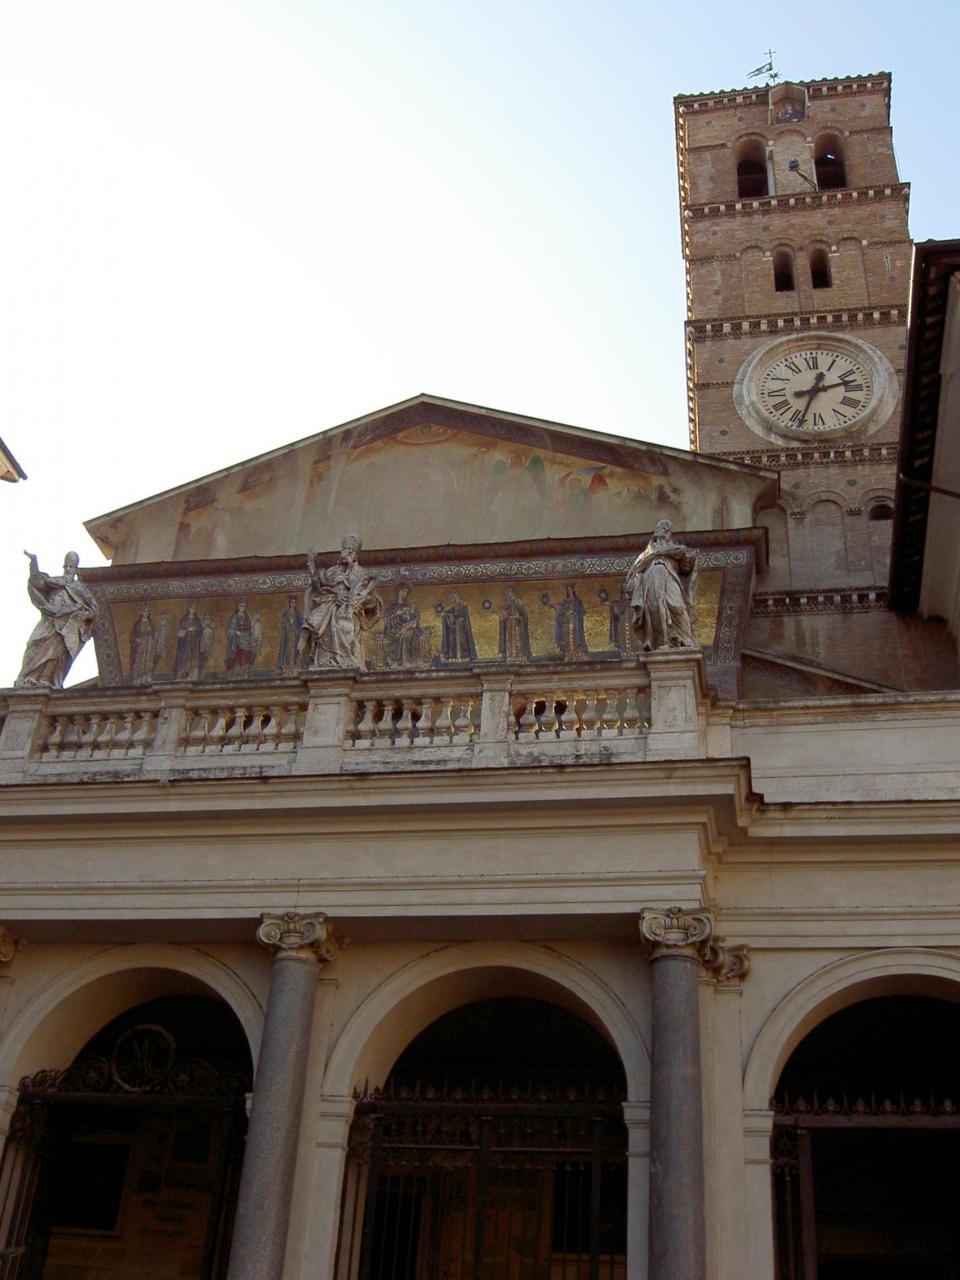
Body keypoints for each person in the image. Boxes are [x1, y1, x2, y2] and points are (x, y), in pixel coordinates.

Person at [15, 550, 99, 689]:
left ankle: (47, 680)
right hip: (49, 622)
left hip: (68, 628)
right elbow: (37, 582)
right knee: (35, 645)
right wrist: (34, 564)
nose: (68, 569)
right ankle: (28, 678)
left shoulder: (81, 590)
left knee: (58, 654)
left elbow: (94, 610)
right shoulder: (55, 582)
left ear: (76, 570)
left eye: (71, 567)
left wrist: (86, 615)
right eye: (66, 566)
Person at [298, 537, 383, 670]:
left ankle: (344, 658)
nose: (346, 552)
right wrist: (311, 565)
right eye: (345, 549)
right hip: (330, 604)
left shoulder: (362, 573)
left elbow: (371, 600)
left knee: (342, 623)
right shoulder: (332, 571)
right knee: (322, 617)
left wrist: (356, 599)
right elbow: (319, 588)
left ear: (355, 554)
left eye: (350, 550)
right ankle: (325, 660)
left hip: (351, 612)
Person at [625, 518, 699, 651]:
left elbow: (686, 564)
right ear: (655, 532)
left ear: (670, 533)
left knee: (677, 606)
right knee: (655, 608)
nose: (664, 529)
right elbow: (636, 569)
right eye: (662, 526)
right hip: (651, 580)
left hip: (669, 577)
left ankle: (685, 638)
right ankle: (663, 640)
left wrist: (664, 554)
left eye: (667, 527)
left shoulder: (677, 549)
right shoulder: (647, 553)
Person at [383, 585, 423, 669]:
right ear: (398, 592)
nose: (404, 593)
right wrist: (396, 614)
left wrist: (412, 622)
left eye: (406, 592)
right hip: (393, 630)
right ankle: (394, 662)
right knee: (391, 638)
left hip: (408, 629)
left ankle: (406, 662)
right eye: (402, 591)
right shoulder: (392, 607)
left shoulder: (409, 606)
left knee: (404, 636)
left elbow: (415, 618)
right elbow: (387, 618)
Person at [547, 583, 588, 661]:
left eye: (571, 590)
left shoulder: (577, 601)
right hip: (567, 623)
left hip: (575, 623)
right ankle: (568, 653)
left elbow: (581, 611)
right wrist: (555, 606)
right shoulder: (565, 601)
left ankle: (577, 653)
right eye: (568, 590)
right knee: (567, 638)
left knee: (576, 637)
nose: (570, 591)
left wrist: (577, 613)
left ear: (573, 590)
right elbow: (561, 608)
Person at [496, 586, 531, 662]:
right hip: (509, 626)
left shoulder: (518, 602)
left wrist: (518, 617)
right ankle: (510, 656)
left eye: (509, 593)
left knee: (518, 641)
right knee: (509, 641)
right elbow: (504, 613)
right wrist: (502, 614)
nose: (508, 595)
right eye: (507, 593)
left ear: (512, 593)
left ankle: (519, 655)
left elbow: (524, 615)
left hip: (517, 626)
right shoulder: (507, 604)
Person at [440, 591, 476, 662]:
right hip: (454, 627)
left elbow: (459, 614)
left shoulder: (463, 605)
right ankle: (453, 656)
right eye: (453, 597)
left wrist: (450, 615)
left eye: (455, 597)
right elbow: (451, 611)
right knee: (452, 640)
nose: (454, 599)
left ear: (458, 597)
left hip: (461, 626)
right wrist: (445, 613)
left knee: (462, 641)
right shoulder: (454, 606)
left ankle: (464, 656)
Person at [173, 604, 204, 680]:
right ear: (188, 609)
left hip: (195, 644)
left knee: (194, 658)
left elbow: (200, 631)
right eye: (191, 608)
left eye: (194, 609)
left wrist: (196, 630)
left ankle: (192, 675)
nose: (193, 610)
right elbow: (180, 631)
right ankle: (182, 675)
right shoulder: (184, 619)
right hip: (185, 644)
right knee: (183, 658)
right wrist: (188, 630)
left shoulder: (197, 620)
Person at [129, 603, 157, 685]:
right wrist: (137, 639)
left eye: (147, 611)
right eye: (144, 611)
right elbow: (133, 635)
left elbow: (153, 634)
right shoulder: (138, 624)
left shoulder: (150, 623)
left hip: (149, 646)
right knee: (139, 661)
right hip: (140, 647)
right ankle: (138, 678)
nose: (146, 613)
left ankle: (146, 677)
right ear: (141, 612)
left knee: (148, 661)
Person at [226, 598, 256, 672]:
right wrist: (236, 632)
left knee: (246, 655)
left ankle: (244, 671)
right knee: (237, 655)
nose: (242, 608)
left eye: (244, 606)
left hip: (247, 639)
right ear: (238, 606)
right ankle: (235, 671)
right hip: (237, 640)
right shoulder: (234, 617)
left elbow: (250, 628)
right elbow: (229, 630)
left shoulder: (247, 617)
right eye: (241, 606)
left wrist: (251, 636)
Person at [276, 595, 302, 669]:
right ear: (289, 603)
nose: (293, 604)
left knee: (295, 649)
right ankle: (286, 664)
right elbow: (283, 624)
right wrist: (288, 624)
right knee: (288, 649)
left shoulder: (298, 613)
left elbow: (301, 623)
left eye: (294, 602)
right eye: (292, 602)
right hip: (288, 634)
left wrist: (298, 630)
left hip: (295, 634)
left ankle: (294, 663)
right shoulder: (286, 613)